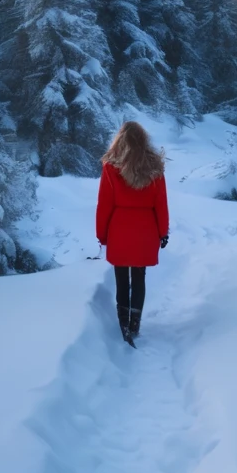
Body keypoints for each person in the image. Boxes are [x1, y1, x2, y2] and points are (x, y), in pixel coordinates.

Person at [96, 121, 169, 346]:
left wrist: (102, 234)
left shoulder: (111, 166)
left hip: (120, 229)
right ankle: (135, 324)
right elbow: (161, 204)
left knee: (121, 279)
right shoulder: (155, 167)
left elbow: (105, 204)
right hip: (145, 230)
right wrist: (162, 232)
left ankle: (123, 324)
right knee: (139, 278)